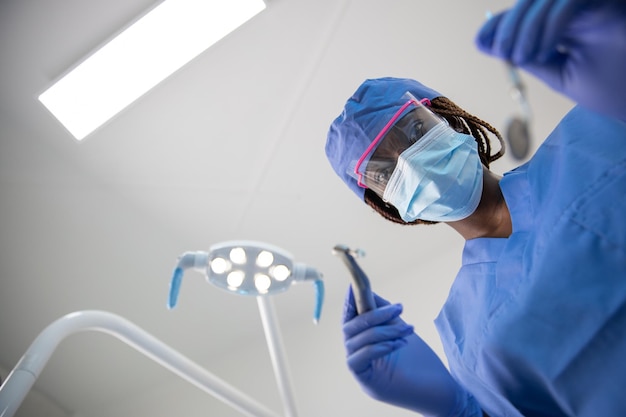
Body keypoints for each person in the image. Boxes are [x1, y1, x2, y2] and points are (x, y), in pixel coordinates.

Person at [324, 2, 626, 417]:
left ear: (452, 120)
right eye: (383, 170)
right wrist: (459, 409)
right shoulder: (463, 333)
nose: (409, 162)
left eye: (413, 130)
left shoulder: (592, 135)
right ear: (387, 206)